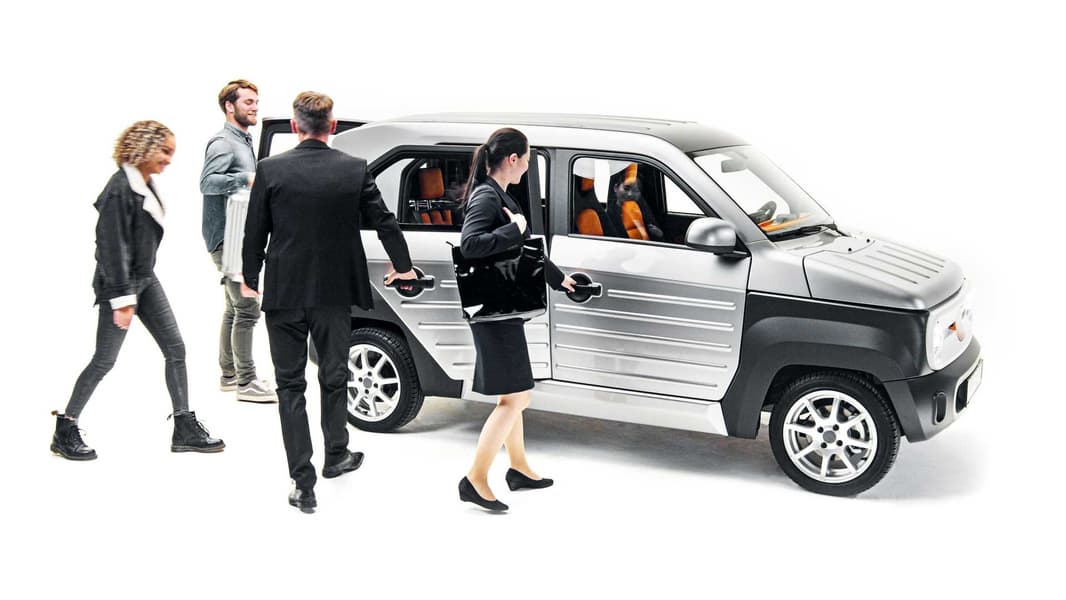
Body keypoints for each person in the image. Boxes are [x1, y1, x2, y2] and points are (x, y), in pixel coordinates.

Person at [241, 91, 418, 513]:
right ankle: (336, 455)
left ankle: (303, 483)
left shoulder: (270, 169)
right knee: (334, 377)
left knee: (290, 386)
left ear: (294, 126)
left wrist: (250, 278)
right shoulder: (353, 169)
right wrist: (404, 266)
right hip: (334, 293)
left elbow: (254, 232)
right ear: (332, 127)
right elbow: (385, 222)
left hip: (284, 292)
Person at [51, 121, 225, 460]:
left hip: (145, 279)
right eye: (165, 151)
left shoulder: (145, 183)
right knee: (104, 360)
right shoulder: (119, 188)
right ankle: (65, 428)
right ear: (144, 147)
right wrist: (122, 300)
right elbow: (111, 248)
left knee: (175, 347)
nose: (169, 160)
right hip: (121, 284)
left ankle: (184, 426)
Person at [457, 127, 576, 511]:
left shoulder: (500, 194)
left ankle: (519, 468)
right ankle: (475, 478)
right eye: (526, 159)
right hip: (493, 314)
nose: (527, 166)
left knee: (513, 394)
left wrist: (560, 280)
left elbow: (525, 248)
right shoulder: (487, 196)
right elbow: (470, 245)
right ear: (512, 159)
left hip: (503, 311)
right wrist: (514, 228)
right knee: (518, 397)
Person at [200, 79, 276, 403]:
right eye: (248, 102)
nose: (255, 107)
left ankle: (229, 375)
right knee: (247, 307)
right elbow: (207, 183)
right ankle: (246, 381)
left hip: (235, 235)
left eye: (256, 101)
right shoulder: (223, 143)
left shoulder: (244, 140)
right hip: (228, 238)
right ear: (229, 106)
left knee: (233, 308)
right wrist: (247, 178)